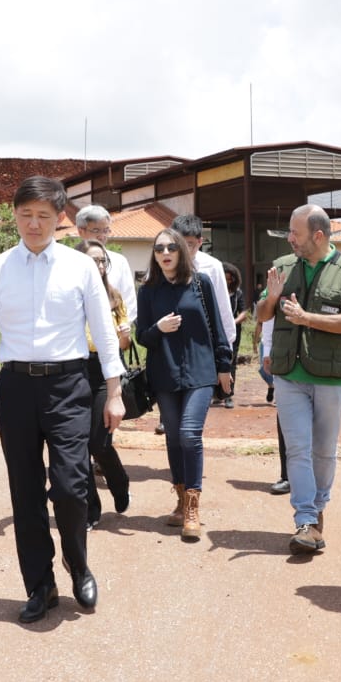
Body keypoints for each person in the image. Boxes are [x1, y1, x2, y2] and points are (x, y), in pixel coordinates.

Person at [0, 177, 124, 623]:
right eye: (25, 215)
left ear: (60, 220)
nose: (33, 224)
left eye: (42, 216)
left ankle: (77, 561)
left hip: (69, 386)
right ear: (14, 216)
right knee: (25, 491)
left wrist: (114, 393)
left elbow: (105, 333)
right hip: (16, 387)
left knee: (73, 486)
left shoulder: (79, 268)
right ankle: (40, 584)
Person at [256, 205, 341, 554]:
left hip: (331, 377)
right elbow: (261, 313)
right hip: (289, 375)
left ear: (318, 236)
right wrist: (271, 299)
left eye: (296, 233)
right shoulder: (283, 267)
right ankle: (305, 519)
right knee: (298, 449)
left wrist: (308, 319)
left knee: (323, 451)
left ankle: (318, 508)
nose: (290, 239)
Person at [134, 227, 234, 542]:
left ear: (181, 251)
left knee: (190, 434)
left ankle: (192, 507)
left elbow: (218, 328)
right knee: (174, 438)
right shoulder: (148, 291)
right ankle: (179, 500)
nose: (165, 253)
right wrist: (158, 328)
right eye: (159, 248)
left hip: (201, 373)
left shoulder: (201, 284)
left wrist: (224, 366)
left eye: (170, 248)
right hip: (164, 374)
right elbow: (141, 338)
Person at [80, 239, 132, 525]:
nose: (98, 265)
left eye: (102, 260)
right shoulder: (70, 294)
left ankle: (119, 481)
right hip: (75, 371)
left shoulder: (114, 297)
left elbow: (124, 345)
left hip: (105, 372)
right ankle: (91, 508)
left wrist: (124, 334)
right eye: (92, 259)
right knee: (78, 445)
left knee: (98, 442)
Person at [169, 214, 236, 407]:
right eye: (180, 243)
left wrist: (225, 361)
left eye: (190, 244)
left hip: (202, 348)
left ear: (200, 242)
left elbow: (223, 311)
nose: (184, 249)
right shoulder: (160, 264)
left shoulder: (212, 267)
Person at [75, 205, 137, 338]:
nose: (102, 236)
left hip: (111, 336)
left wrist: (122, 327)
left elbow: (129, 300)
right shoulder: (69, 260)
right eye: (96, 230)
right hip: (76, 339)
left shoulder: (119, 261)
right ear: (81, 231)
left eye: (106, 230)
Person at [259, 317, 290, 494]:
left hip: (320, 360)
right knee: (285, 418)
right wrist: (267, 351)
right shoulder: (278, 288)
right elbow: (269, 316)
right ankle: (287, 476)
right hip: (285, 358)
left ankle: (314, 478)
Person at [211, 263, 249, 408]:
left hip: (232, 332)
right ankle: (217, 394)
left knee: (230, 362)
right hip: (215, 331)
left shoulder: (237, 293)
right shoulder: (214, 291)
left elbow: (244, 312)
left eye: (229, 279)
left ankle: (228, 395)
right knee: (215, 362)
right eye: (224, 279)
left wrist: (233, 322)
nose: (227, 282)